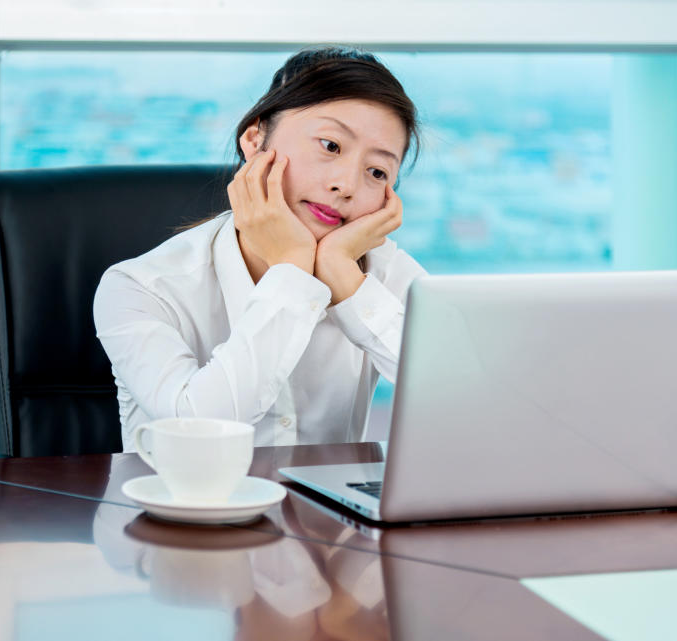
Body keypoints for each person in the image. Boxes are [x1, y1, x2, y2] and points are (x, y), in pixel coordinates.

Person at [93, 46, 427, 451]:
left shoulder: (386, 275)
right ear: (254, 139)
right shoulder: (142, 287)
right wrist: (292, 273)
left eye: (377, 171)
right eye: (330, 146)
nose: (347, 185)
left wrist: (347, 282)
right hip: (185, 512)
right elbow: (197, 432)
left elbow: (473, 405)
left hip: (327, 516)